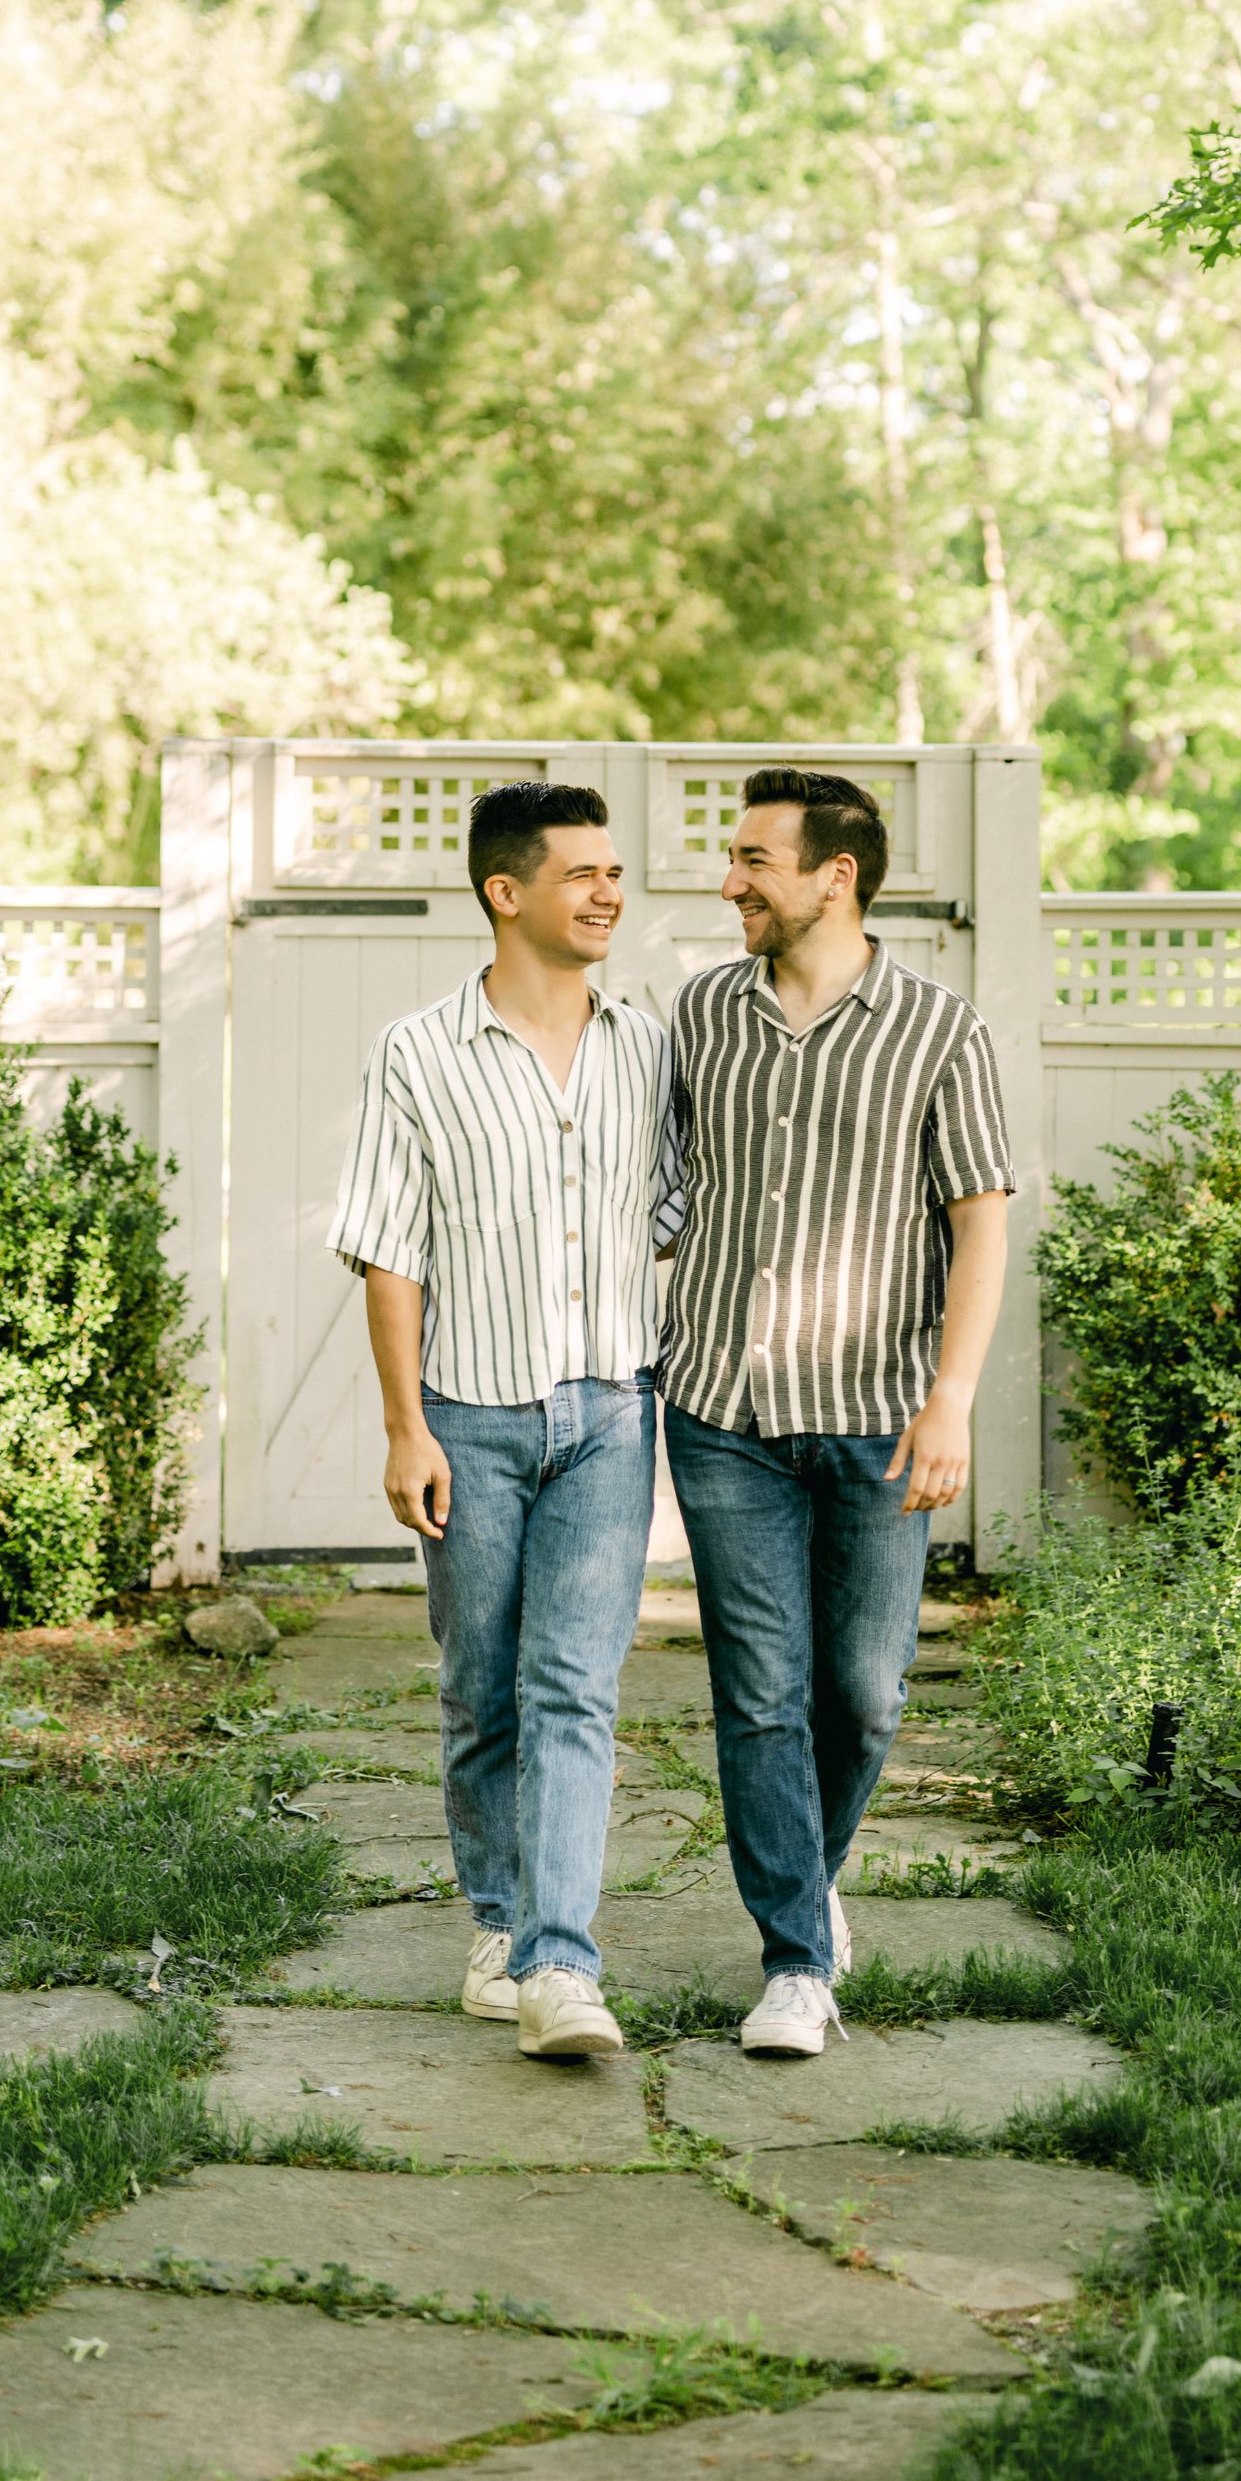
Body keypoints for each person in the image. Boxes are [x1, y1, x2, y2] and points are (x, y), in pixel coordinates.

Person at [663, 764, 1014, 2058]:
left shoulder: (940, 1029)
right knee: (761, 1689)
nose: (730, 879)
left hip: (875, 1415)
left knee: (860, 1693)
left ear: (834, 875)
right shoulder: (698, 1013)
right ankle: (797, 1961)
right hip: (720, 1406)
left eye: (753, 857)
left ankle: (811, 1879)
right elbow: (660, 1190)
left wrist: (952, 1401)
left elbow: (980, 1221)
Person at [328, 780, 670, 2061]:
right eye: (583, 874)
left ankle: (561, 1965)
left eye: (615, 873)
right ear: (505, 892)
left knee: (574, 1687)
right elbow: (388, 1252)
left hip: (609, 1416)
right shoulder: (416, 1054)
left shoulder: (647, 1048)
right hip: (468, 1418)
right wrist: (404, 1426)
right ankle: (497, 1920)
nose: (608, 894)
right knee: (482, 1690)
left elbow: (682, 1212)